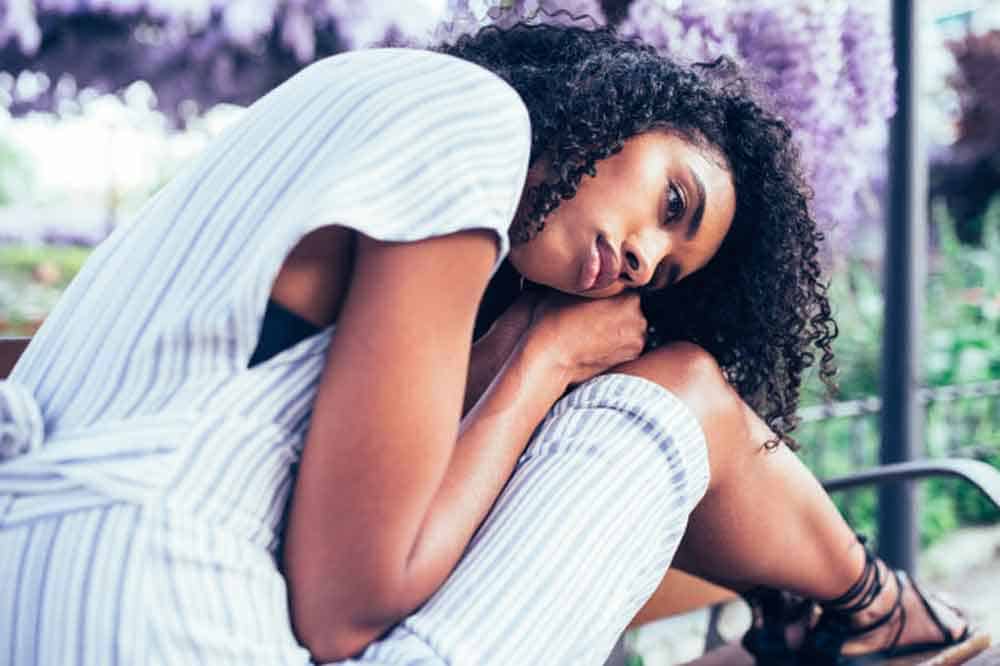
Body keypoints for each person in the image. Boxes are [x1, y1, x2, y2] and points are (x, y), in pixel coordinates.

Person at [0, 20, 983, 666]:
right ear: (624, 108)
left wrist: (517, 346)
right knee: (678, 386)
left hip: (51, 586)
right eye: (669, 202)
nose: (640, 257)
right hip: (155, 614)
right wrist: (543, 359)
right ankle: (869, 610)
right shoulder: (470, 126)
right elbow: (345, 611)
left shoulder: (372, 116)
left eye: (665, 270)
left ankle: (847, 616)